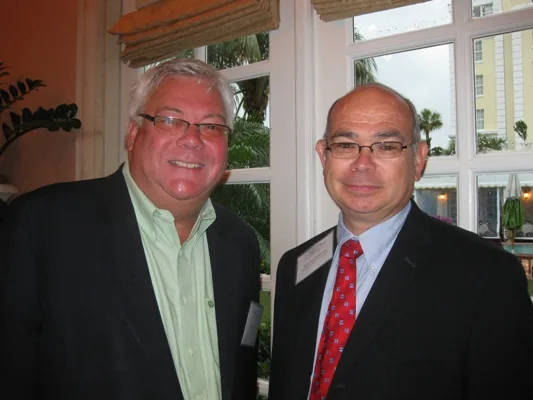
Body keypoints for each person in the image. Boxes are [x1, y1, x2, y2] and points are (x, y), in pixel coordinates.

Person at [0, 59, 261, 400]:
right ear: (134, 134)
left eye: (211, 126)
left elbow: (242, 367)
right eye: (170, 120)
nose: (192, 140)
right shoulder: (41, 226)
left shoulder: (240, 243)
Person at [268, 83, 533, 400]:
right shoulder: (295, 265)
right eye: (345, 144)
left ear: (418, 159)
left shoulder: (489, 276)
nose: (362, 163)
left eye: (387, 146)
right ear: (324, 156)